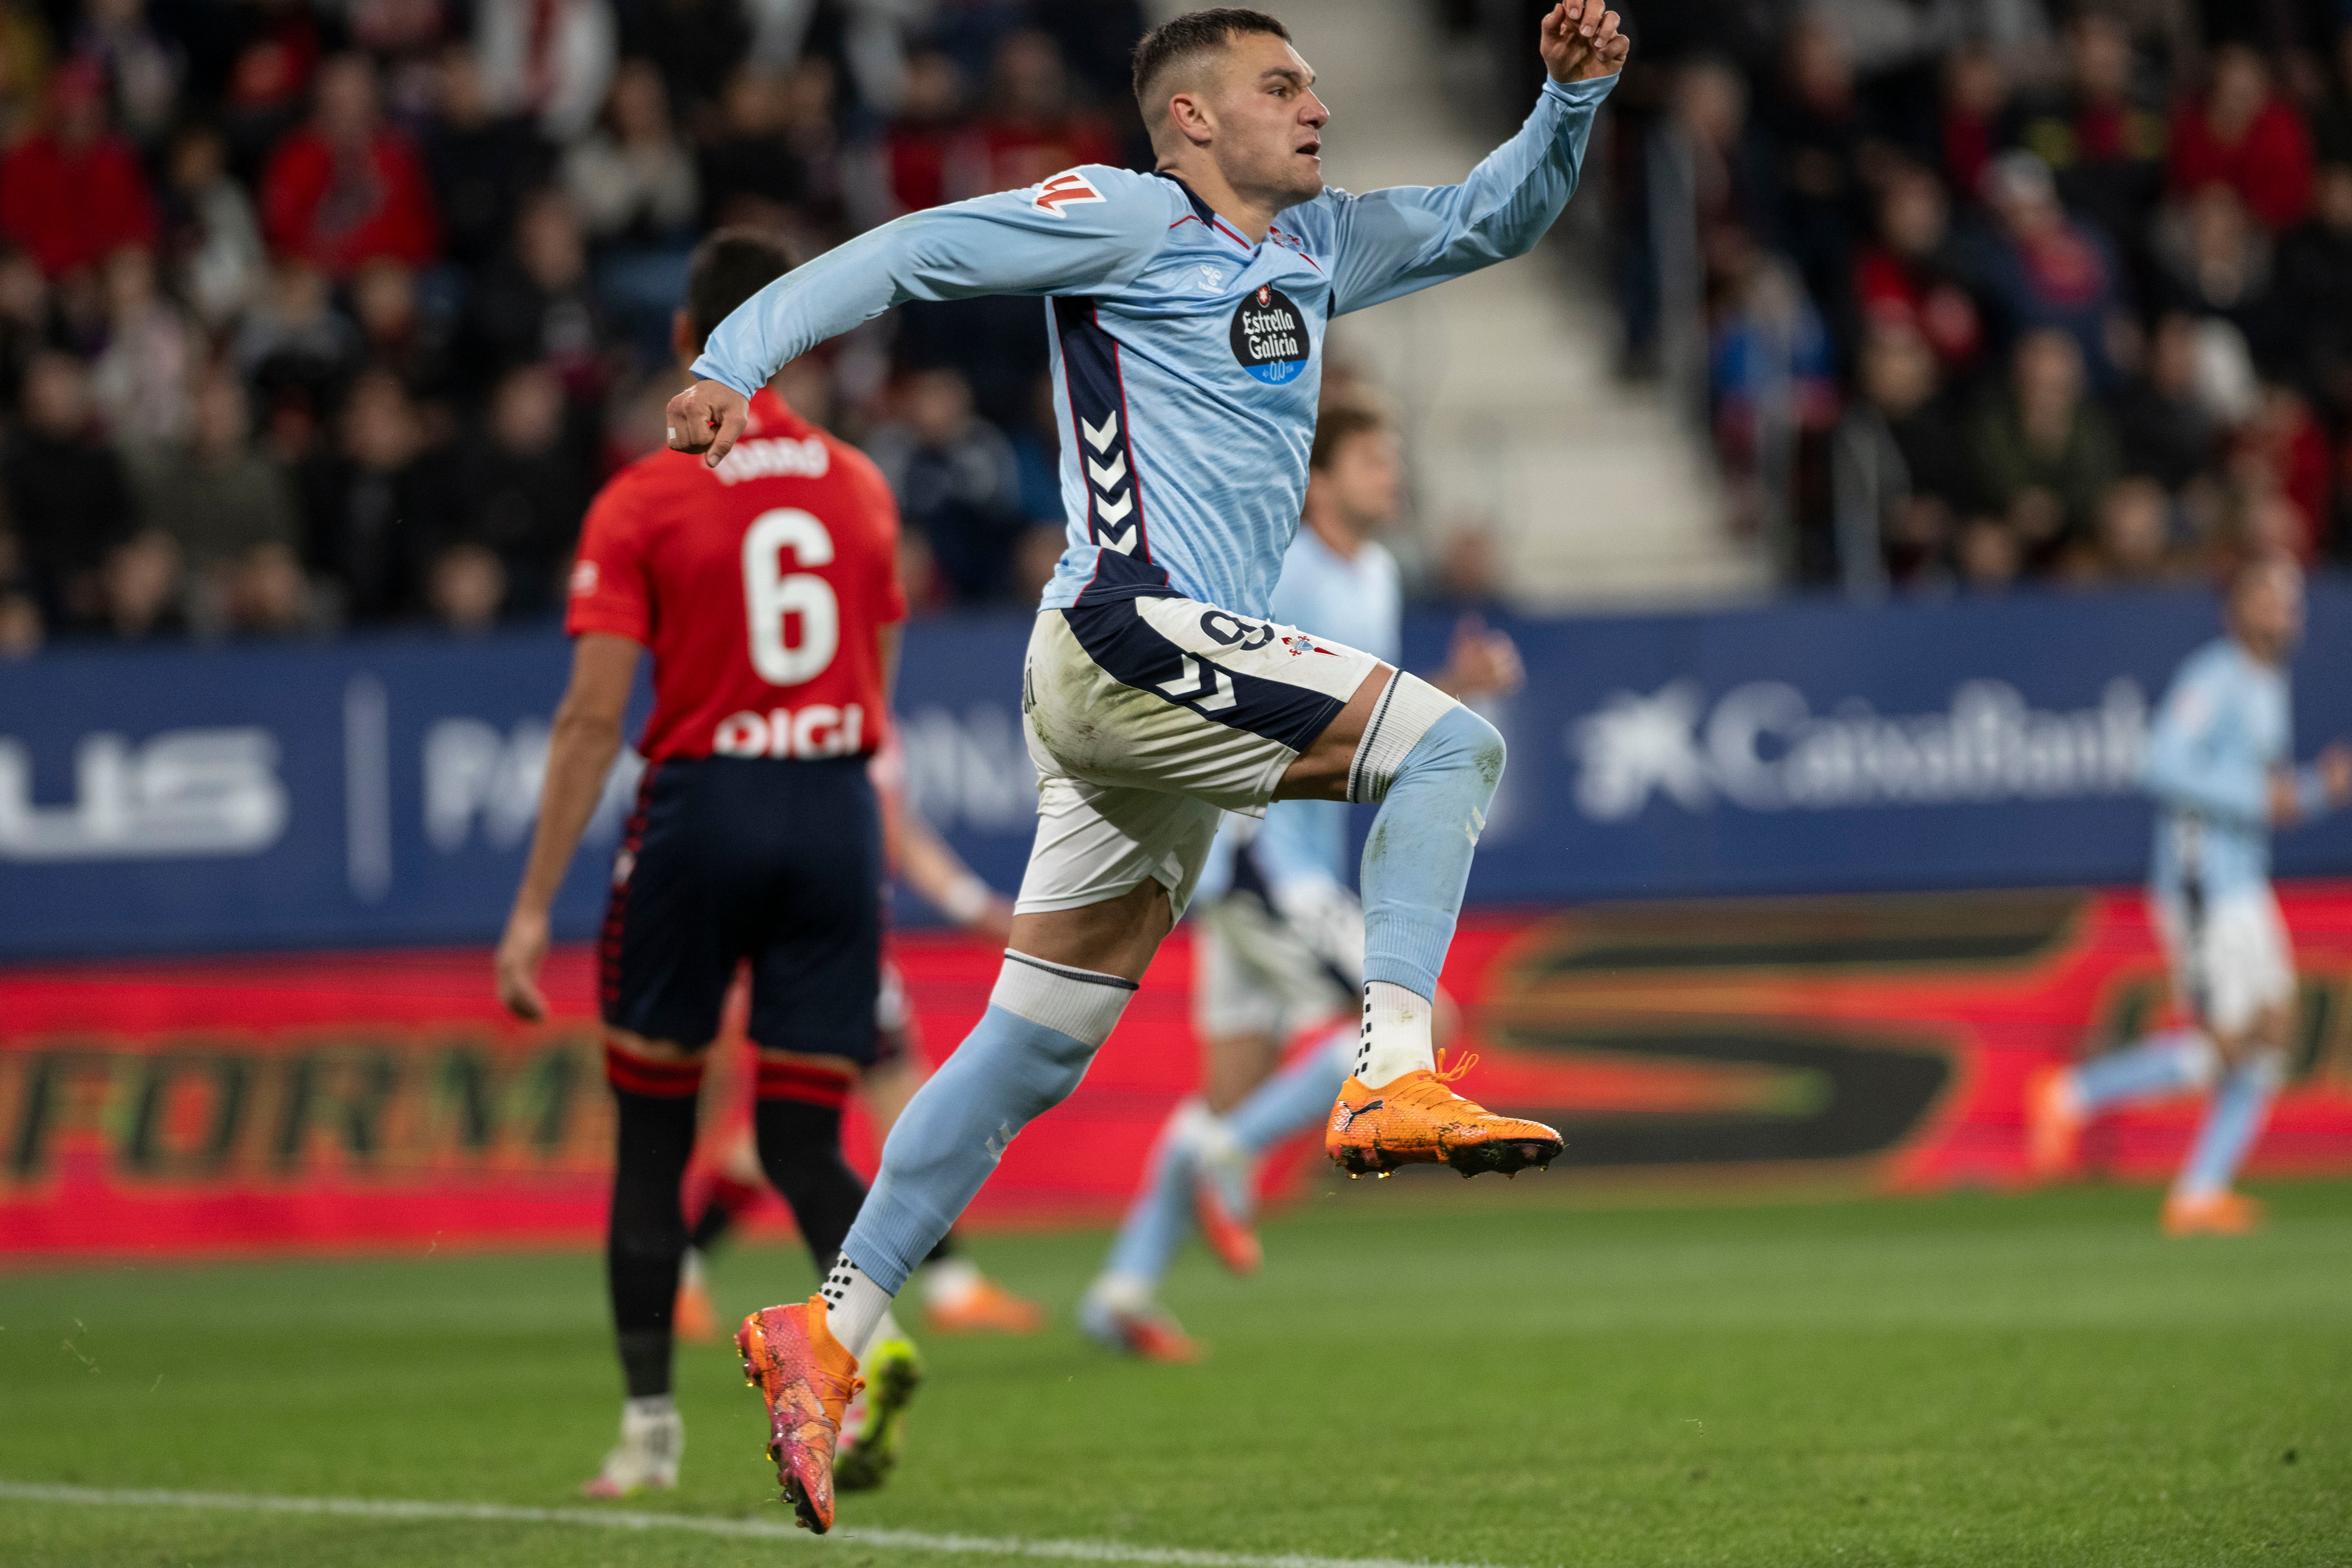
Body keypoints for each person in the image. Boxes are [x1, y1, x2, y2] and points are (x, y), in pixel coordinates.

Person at [663, 3, 1628, 1531]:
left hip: (1160, 698)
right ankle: (1391, 1067)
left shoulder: (1318, 248)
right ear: (1192, 118)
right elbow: (909, 251)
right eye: (1280, 85)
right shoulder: (1121, 218)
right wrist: (737, 358)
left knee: (1035, 1049)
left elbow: (1491, 217)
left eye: (1315, 83)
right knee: (1454, 744)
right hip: (1125, 632)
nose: (1316, 106)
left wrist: (1569, 102)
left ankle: (827, 1329)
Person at [494, 231, 912, 1500]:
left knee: (652, 1132)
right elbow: (875, 685)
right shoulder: (860, 485)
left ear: (692, 336)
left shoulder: (645, 494)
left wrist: (530, 907)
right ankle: (873, 1344)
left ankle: (648, 1433)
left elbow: (590, 720)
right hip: (832, 807)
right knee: (801, 1133)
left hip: (705, 811)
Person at [1079, 401, 1525, 1360]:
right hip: (1260, 857)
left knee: (1226, 1096)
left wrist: (1452, 686)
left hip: (1282, 868)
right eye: (1371, 460)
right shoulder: (1281, 571)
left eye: (1392, 459)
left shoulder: (1377, 572)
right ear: (1318, 482)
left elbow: (1365, 711)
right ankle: (1227, 1158)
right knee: (1420, 1016)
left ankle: (1121, 1291)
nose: (1390, 476)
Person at [2026, 555, 2352, 1232]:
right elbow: (2162, 762)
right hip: (2205, 884)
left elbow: (2270, 798)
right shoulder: (2215, 677)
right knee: (2228, 1043)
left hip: (2245, 882)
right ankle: (2071, 1093)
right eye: (2266, 598)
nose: (2281, 612)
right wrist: (2260, 796)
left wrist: (2321, 788)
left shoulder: (2268, 685)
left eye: (2289, 602)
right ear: (2237, 609)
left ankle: (2201, 1191)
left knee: (2275, 1030)